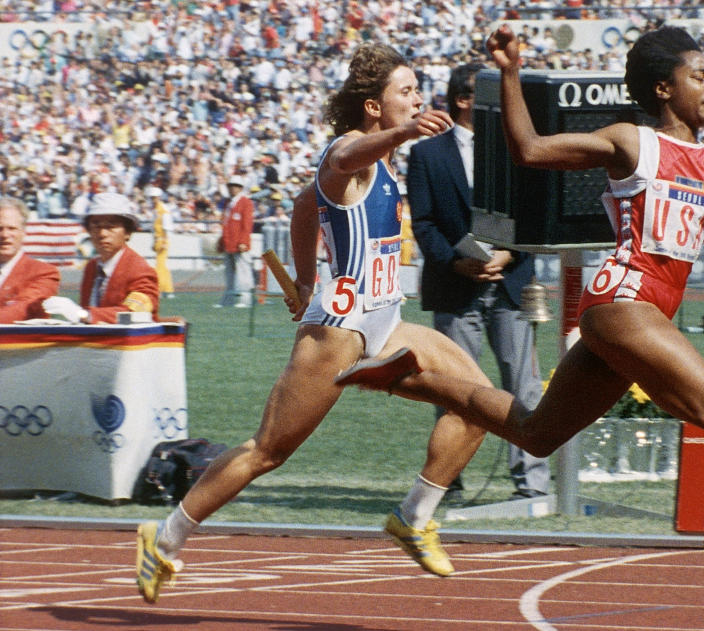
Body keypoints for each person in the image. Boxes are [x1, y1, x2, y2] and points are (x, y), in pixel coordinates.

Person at [336, 25, 704, 605]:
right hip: (624, 303)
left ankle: (403, 378)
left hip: (642, 317)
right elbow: (531, 151)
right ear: (664, 89)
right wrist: (511, 76)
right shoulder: (633, 142)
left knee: (537, 434)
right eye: (701, 77)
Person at [135, 43, 492, 604]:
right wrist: (403, 134)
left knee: (478, 402)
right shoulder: (349, 152)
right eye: (406, 91)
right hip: (339, 331)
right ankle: (165, 538)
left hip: (386, 322)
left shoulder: (381, 162)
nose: (419, 99)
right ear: (374, 107)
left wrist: (304, 280)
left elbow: (304, 210)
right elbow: (343, 162)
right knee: (269, 451)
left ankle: (413, 516)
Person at [407, 61, 550, 502]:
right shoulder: (427, 153)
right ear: (464, 100)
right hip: (456, 288)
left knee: (523, 386)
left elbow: (535, 211)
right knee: (453, 389)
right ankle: (445, 483)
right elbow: (424, 222)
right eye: (486, 93)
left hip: (511, 286)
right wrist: (455, 262)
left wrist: (512, 253)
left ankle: (533, 486)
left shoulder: (517, 147)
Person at [43, 192, 159, 324]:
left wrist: (82, 314)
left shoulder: (140, 271)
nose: (102, 233)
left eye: (111, 226)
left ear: (127, 233)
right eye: (96, 226)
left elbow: (133, 314)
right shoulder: (92, 267)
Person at [0, 196, 59, 323]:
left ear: (23, 231)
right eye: (0, 228)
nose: (4, 235)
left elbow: (22, 308)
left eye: (12, 228)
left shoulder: (44, 273)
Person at [215, 176, 254, 308]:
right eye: (230, 186)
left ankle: (244, 299)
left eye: (235, 186)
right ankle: (228, 299)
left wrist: (243, 241)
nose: (232, 188)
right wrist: (222, 242)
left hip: (239, 244)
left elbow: (247, 224)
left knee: (243, 273)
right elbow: (225, 224)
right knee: (229, 274)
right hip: (229, 243)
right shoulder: (228, 203)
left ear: (240, 188)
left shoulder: (246, 203)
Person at [148, 186, 175, 299]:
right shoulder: (156, 210)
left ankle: (159, 289)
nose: (153, 200)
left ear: (159, 197)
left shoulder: (163, 209)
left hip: (162, 240)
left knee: (160, 266)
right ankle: (167, 290)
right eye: (151, 198)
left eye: (154, 198)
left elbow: (167, 226)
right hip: (158, 239)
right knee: (162, 266)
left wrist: (164, 241)